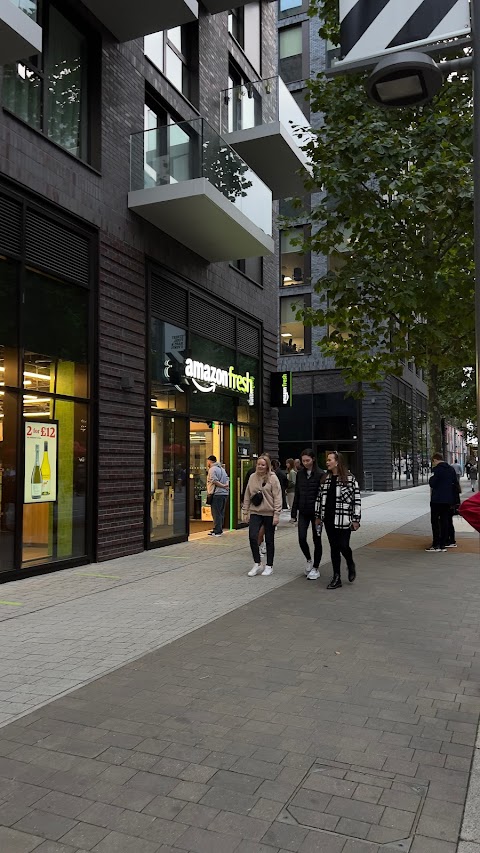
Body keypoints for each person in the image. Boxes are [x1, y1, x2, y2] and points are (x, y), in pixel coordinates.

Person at [315, 451, 361, 589]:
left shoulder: (350, 479)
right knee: (334, 548)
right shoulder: (325, 479)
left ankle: (350, 562)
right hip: (328, 519)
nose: (327, 462)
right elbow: (319, 499)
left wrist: (356, 519)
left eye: (329, 460)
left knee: (343, 545)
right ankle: (336, 577)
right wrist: (318, 516)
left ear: (337, 462)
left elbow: (356, 500)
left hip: (343, 519)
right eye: (327, 460)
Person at [243, 454, 282, 577]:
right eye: (259, 464)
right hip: (255, 512)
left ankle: (269, 565)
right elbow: (247, 495)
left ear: (267, 466)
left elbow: (278, 496)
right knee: (252, 536)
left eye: (263, 464)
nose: (260, 466)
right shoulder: (252, 477)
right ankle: (257, 562)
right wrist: (245, 511)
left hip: (269, 512)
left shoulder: (273, 478)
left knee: (269, 540)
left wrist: (277, 514)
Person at [291, 448, 324, 580]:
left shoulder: (320, 474)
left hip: (316, 513)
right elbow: (297, 493)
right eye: (303, 461)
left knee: (317, 539)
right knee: (301, 538)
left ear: (313, 459)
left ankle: (316, 567)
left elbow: (322, 496)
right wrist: (294, 512)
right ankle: (309, 559)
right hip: (303, 511)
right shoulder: (300, 474)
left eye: (307, 460)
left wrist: (321, 514)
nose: (305, 463)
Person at [426, 452, 459, 552]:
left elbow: (433, 484)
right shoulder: (451, 469)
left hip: (437, 499)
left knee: (435, 521)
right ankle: (443, 544)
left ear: (435, 460)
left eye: (433, 462)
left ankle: (436, 544)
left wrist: (431, 479)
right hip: (448, 499)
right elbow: (455, 483)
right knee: (445, 521)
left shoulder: (436, 470)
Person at [206, 455, 229, 537]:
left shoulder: (212, 469)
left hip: (216, 494)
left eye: (207, 461)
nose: (207, 463)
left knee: (216, 513)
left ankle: (217, 530)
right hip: (224, 493)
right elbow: (227, 479)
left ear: (210, 461)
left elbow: (214, 480)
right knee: (221, 512)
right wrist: (225, 486)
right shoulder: (222, 469)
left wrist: (222, 486)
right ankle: (219, 528)